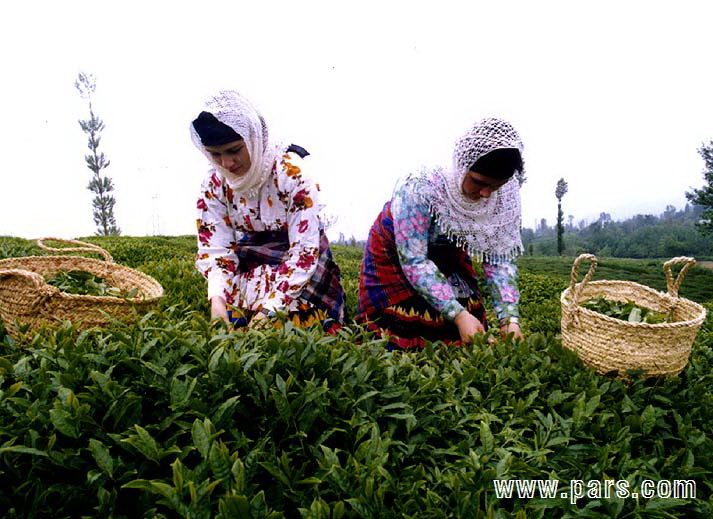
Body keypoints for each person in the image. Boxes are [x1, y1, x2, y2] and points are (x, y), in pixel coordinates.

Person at [356, 117, 525, 350]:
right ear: (463, 165)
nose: (486, 193)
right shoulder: (420, 185)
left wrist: (509, 319)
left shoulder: (506, 196)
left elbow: (499, 259)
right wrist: (458, 315)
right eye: (478, 182)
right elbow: (414, 260)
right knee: (402, 331)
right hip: (398, 251)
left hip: (449, 253)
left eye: (495, 186)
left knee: (465, 332)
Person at [191, 90, 345, 331]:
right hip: (250, 261)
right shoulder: (214, 183)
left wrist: (269, 310)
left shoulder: (292, 174)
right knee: (231, 323)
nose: (227, 164)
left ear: (253, 139)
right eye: (216, 155)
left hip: (301, 267)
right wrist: (217, 301)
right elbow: (216, 248)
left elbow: (303, 253)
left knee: (294, 327)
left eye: (234, 150)